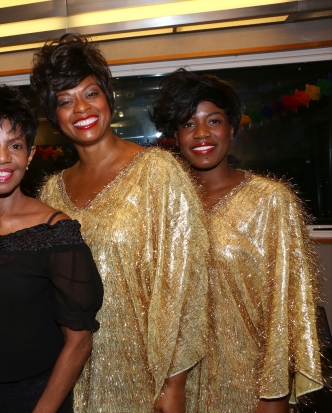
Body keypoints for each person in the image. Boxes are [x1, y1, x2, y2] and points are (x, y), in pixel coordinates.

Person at [31, 34, 210, 413]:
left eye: (90, 93)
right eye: (65, 100)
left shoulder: (159, 173)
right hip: (72, 375)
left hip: (146, 377)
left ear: (108, 97)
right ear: (53, 115)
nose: (81, 108)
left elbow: (187, 284)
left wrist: (172, 383)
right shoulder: (50, 192)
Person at [150, 68, 322, 412]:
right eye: (188, 124)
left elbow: (286, 308)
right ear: (175, 136)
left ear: (232, 127)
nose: (201, 133)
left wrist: (272, 395)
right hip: (173, 384)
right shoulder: (164, 204)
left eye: (213, 121)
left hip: (247, 383)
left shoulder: (272, 201)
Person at [0, 85, 104, 413]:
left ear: (29, 156)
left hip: (31, 400)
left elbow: (79, 342)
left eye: (14, 146)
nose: (2, 158)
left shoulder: (56, 234)